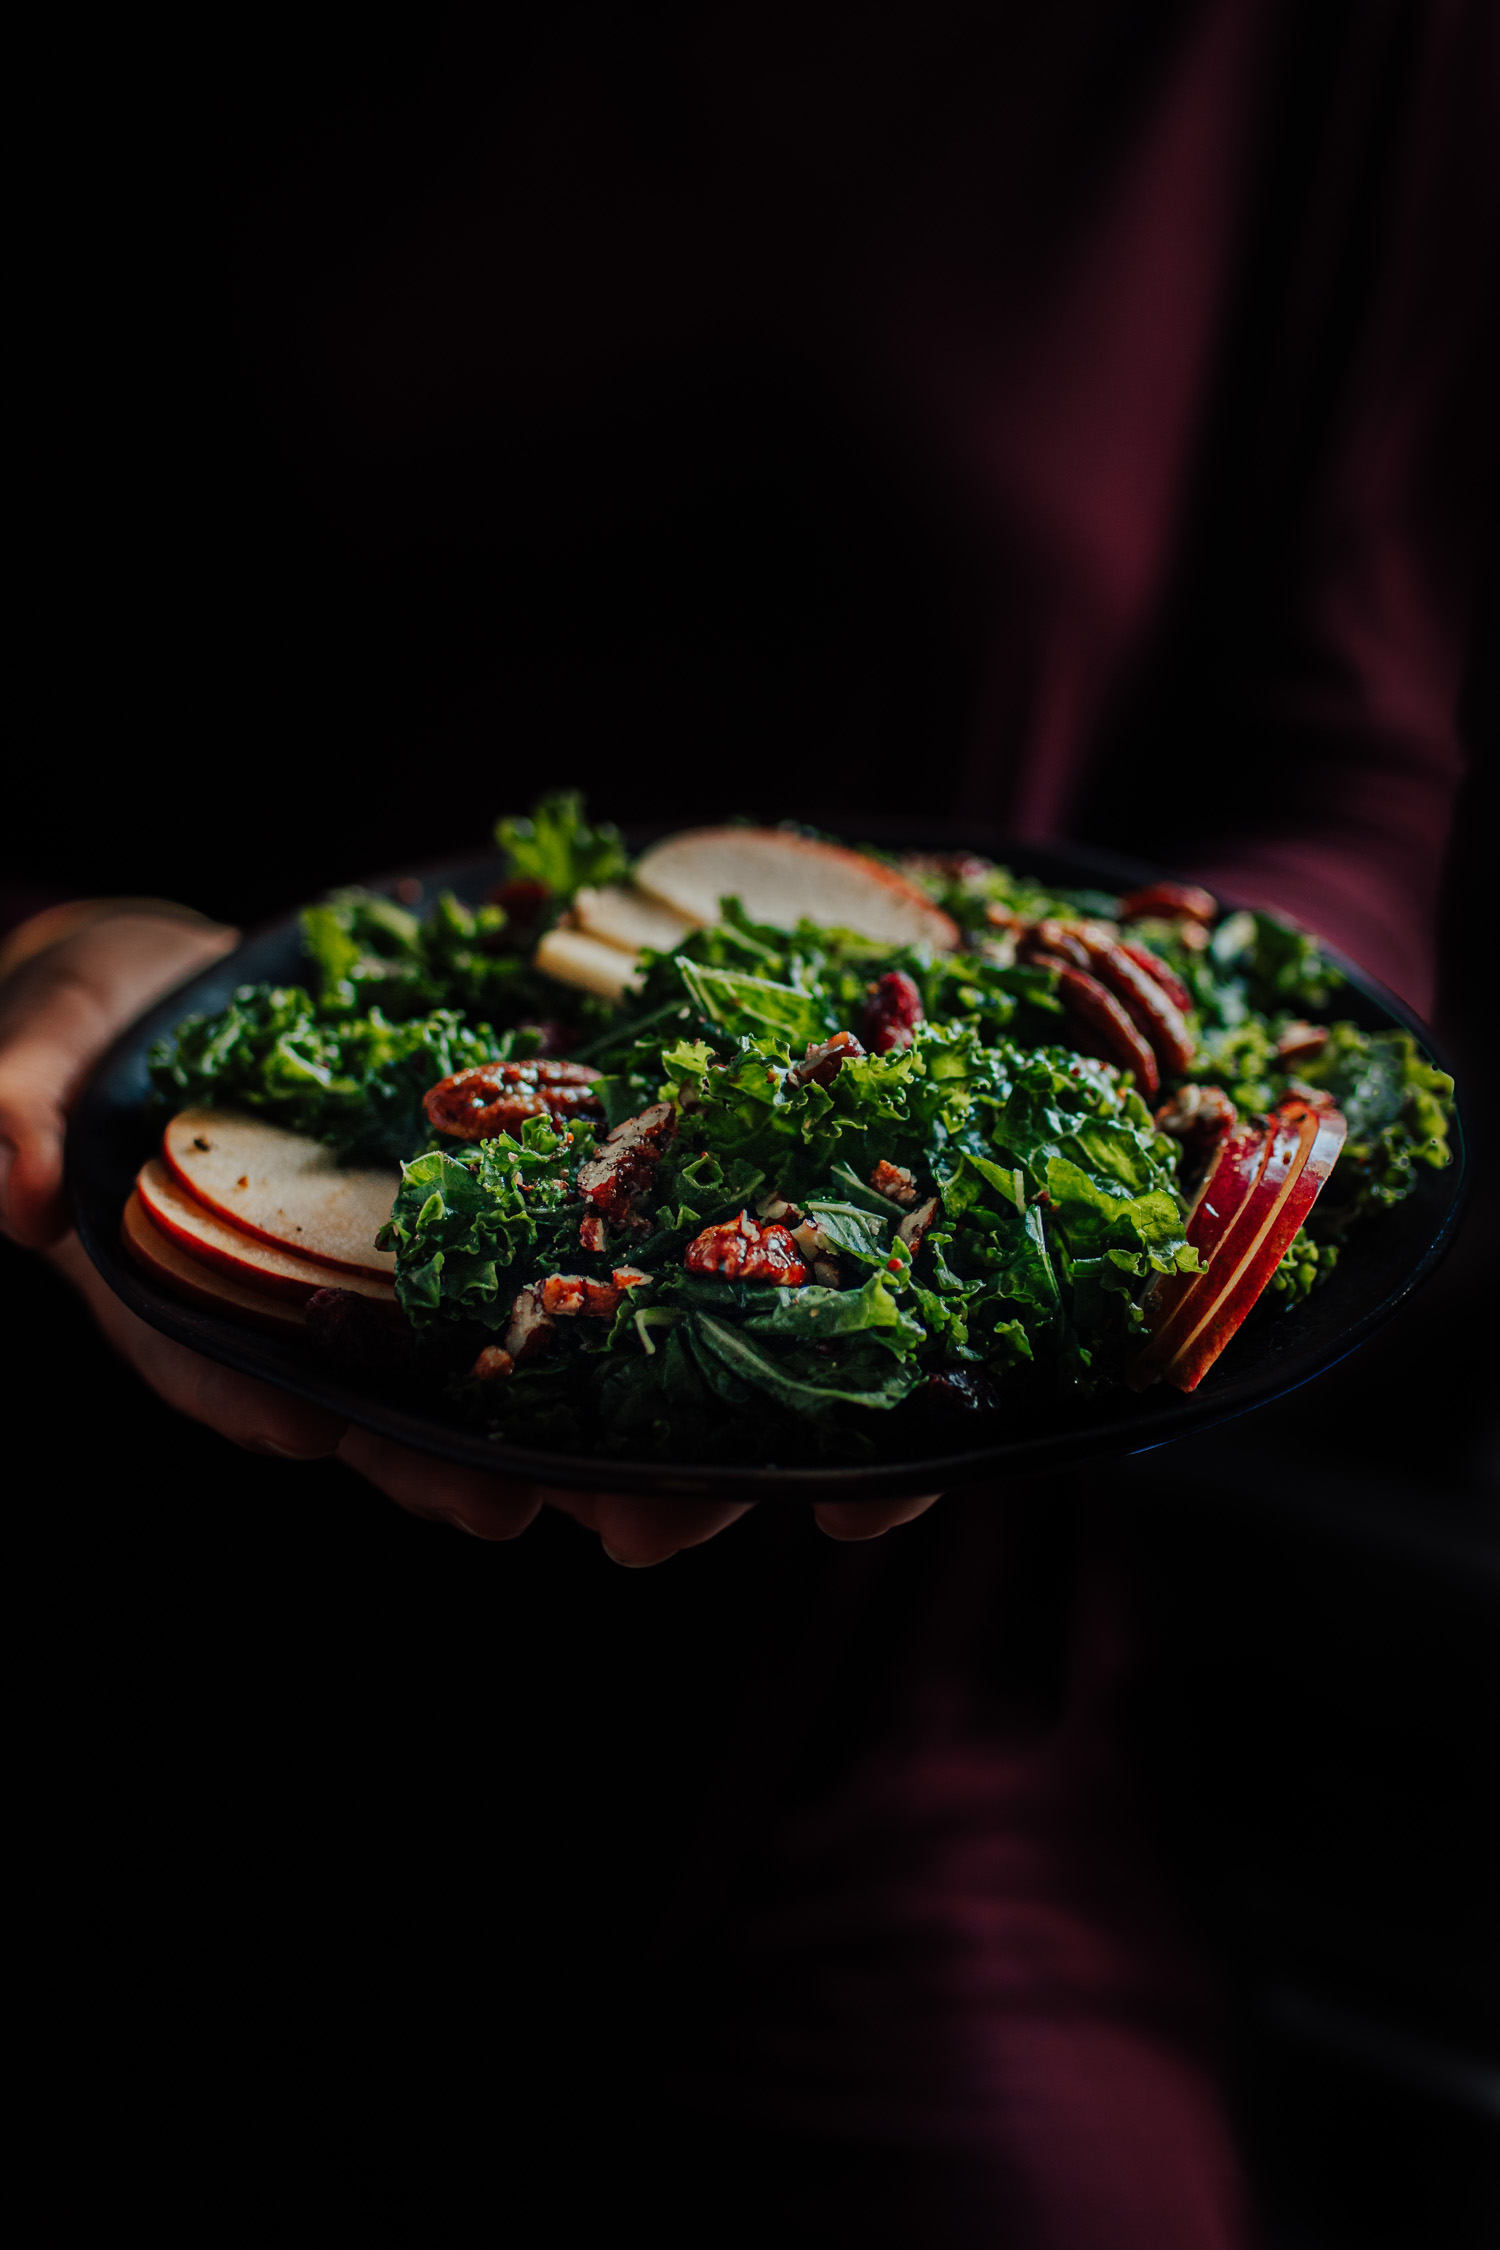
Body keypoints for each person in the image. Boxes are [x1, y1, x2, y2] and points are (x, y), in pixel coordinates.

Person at [3, 3, 1493, 2241]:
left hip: (892, 1747)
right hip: (140, 1673)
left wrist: (1181, 1041)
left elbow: (1355, 756)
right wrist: (39, 956)